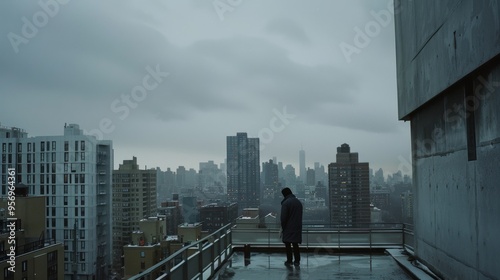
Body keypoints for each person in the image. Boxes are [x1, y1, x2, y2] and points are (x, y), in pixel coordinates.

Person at [280, 187, 303, 268]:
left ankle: (289, 260)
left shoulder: (286, 203)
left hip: (288, 228)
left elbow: (283, 218)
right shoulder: (298, 202)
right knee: (295, 245)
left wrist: (283, 227)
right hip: (297, 227)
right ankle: (297, 261)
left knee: (288, 245)